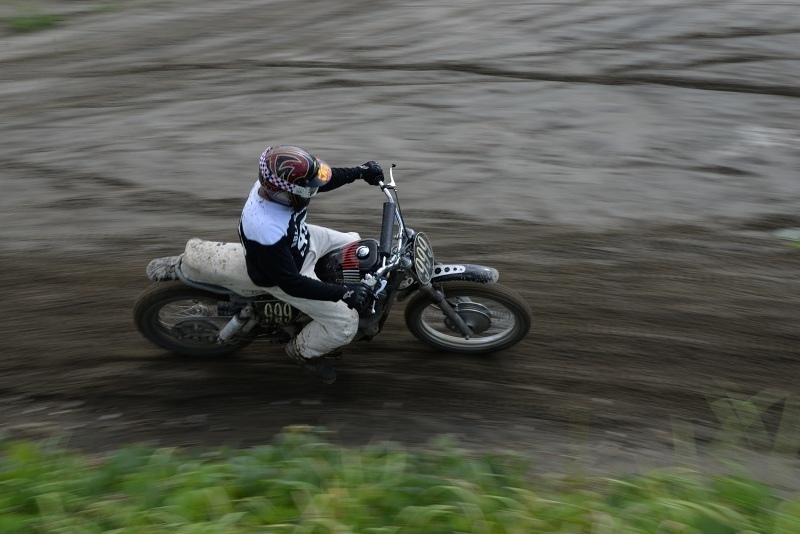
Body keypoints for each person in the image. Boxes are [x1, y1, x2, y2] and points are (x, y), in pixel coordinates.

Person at [238, 145, 384, 384]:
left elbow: (323, 180)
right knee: (345, 325)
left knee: (358, 248)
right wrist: (344, 293)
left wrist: (360, 172)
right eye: (308, 188)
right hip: (286, 273)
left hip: (301, 239)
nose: (313, 190)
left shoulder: (278, 185)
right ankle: (303, 352)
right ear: (287, 193)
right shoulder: (266, 228)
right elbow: (291, 283)